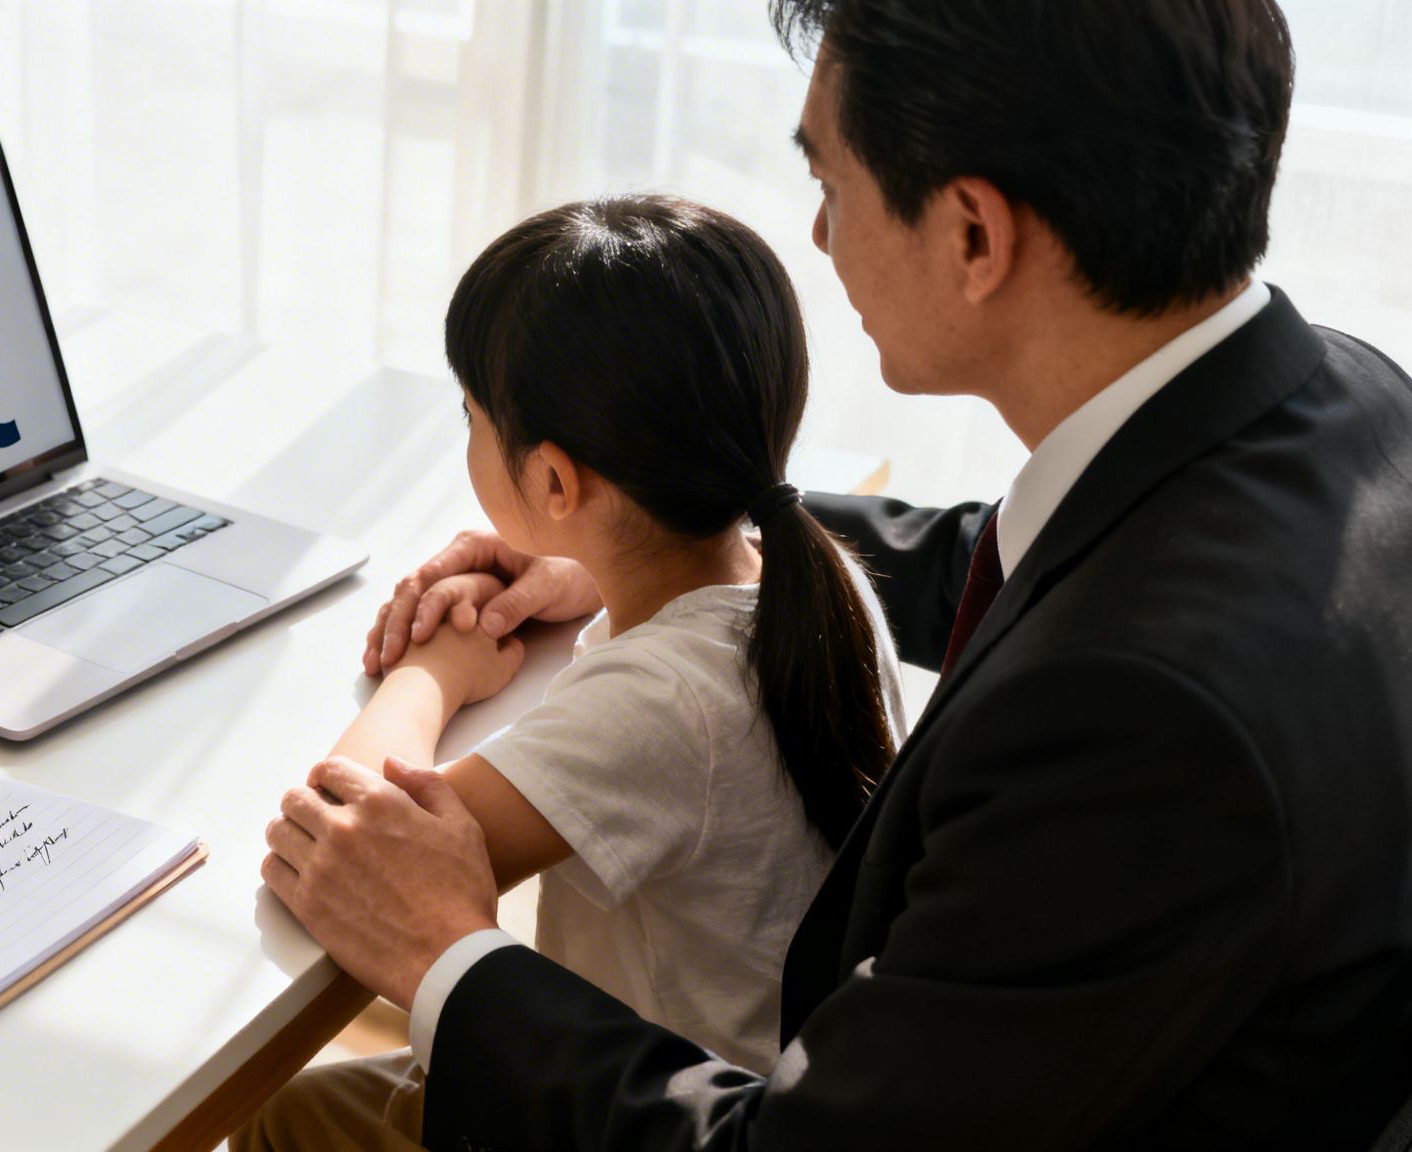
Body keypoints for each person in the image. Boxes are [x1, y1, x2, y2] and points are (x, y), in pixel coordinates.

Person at [261, 0, 1412, 1147]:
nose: (817, 236)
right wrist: (656, 519)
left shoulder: (1138, 721)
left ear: (971, 234)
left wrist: (446, 956)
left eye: (828, 182)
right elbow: (1003, 554)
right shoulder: (1347, 408)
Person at [242, 196, 908, 1149]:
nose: (466, 435)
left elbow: (350, 830)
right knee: (309, 1105)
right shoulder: (819, 578)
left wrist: (434, 669)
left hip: (635, 1114)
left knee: (286, 1121)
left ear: (555, 483)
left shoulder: (662, 699)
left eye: (471, 415)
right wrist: (594, 569)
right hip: (753, 1075)